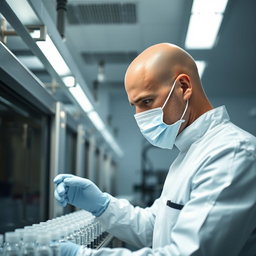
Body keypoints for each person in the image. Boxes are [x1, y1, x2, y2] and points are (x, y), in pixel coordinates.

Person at [54, 43, 256, 256]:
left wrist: (85, 255)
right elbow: (156, 227)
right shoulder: (189, 154)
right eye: (135, 106)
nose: (140, 116)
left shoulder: (231, 154)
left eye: (147, 101)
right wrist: (102, 205)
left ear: (184, 87)